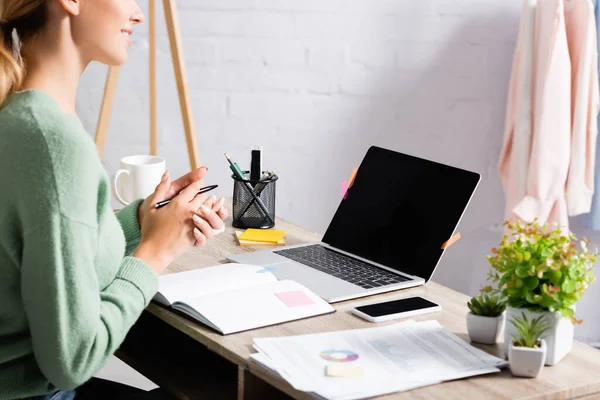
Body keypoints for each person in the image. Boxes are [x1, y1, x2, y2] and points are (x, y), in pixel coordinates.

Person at [0, 0, 228, 399]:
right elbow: (74, 359)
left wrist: (144, 220)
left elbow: (47, 250)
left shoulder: (21, 115)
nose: (139, 14)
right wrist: (156, 252)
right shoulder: (52, 143)